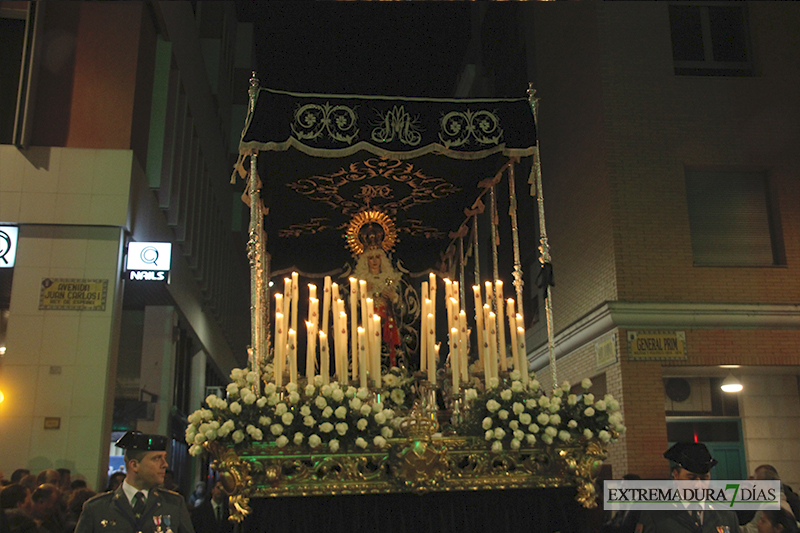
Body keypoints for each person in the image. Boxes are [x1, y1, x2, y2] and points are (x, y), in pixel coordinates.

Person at [75, 431, 194, 533]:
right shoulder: (97, 508)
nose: (165, 465)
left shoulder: (173, 504)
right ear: (134, 465)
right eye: (156, 458)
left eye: (164, 458)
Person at [637, 442, 741, 533]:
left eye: (704, 478)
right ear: (676, 476)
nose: (698, 485)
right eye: (691, 478)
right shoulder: (656, 515)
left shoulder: (726, 515)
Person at [353, 246, 402, 366]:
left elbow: (402, 307)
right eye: (370, 258)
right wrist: (363, 293)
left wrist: (393, 298)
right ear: (366, 261)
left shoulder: (391, 279)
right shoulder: (360, 281)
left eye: (377, 257)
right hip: (366, 319)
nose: (374, 261)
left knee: (386, 349)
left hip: (386, 320)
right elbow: (352, 304)